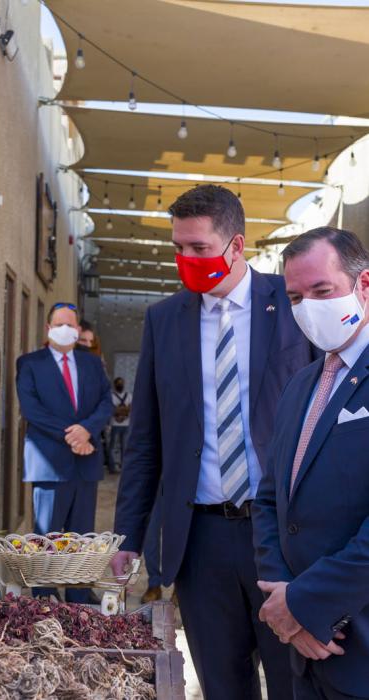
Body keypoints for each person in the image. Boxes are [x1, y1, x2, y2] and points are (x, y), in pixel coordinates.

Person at [112, 184, 317, 700]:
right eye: (178, 248)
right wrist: (127, 537)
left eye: (199, 248)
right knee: (222, 684)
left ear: (236, 245)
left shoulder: (293, 305)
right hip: (200, 540)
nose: (187, 260)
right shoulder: (165, 320)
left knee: (296, 678)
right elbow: (146, 441)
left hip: (281, 535)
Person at [253, 227, 369, 700]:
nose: (308, 308)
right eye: (296, 297)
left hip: (357, 639)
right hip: (304, 647)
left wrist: (304, 603)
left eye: (322, 291)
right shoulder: (301, 384)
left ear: (363, 286)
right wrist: (285, 602)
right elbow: (269, 499)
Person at [16, 302, 112, 602]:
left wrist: (87, 429)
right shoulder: (30, 363)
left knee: (81, 537)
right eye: (60, 324)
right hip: (49, 463)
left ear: (78, 330)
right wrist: (71, 434)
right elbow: (32, 410)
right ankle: (44, 599)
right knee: (47, 536)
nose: (66, 329)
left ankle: (78, 599)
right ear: (48, 328)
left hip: (85, 462)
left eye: (71, 325)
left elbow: (105, 403)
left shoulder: (92, 363)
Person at [107, 376, 131, 474]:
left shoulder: (129, 395)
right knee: (113, 447)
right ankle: (112, 467)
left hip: (126, 424)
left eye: (121, 383)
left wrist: (119, 411)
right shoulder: (111, 396)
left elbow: (131, 408)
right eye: (118, 383)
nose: (120, 385)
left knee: (125, 447)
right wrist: (123, 411)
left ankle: (124, 467)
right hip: (115, 425)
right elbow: (111, 409)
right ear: (115, 385)